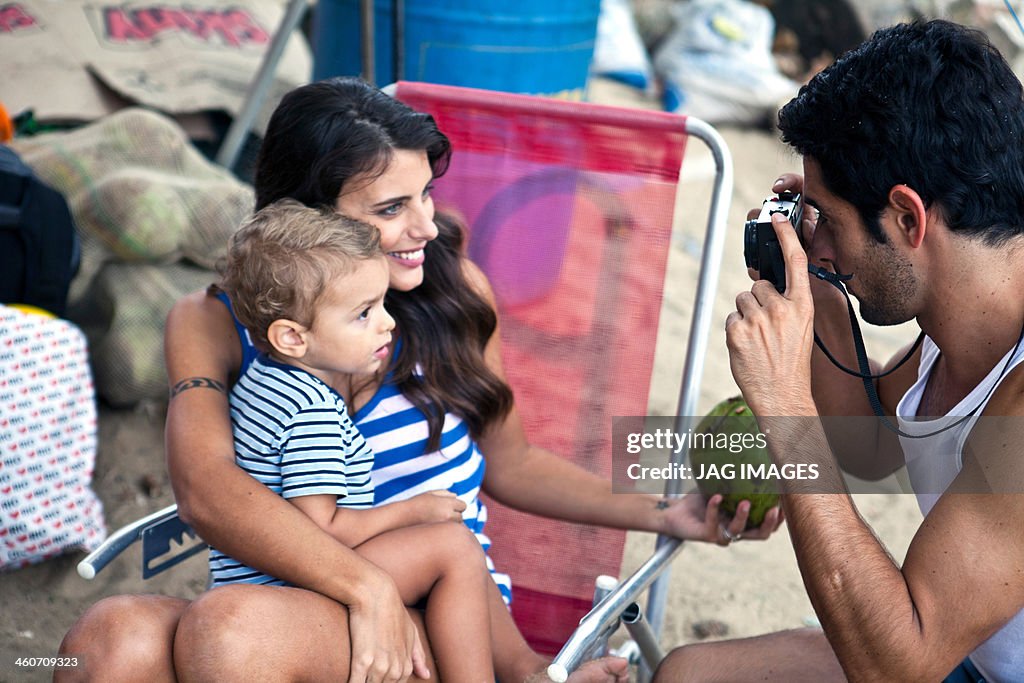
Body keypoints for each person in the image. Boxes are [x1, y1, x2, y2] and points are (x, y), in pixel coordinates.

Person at [57, 77, 783, 683]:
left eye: (426, 196)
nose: (426, 227)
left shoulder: (454, 291)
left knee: (228, 630)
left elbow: (515, 461)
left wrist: (667, 511)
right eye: (391, 208)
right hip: (300, 603)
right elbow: (207, 490)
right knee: (108, 640)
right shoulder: (214, 323)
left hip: (437, 617)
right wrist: (360, 585)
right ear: (305, 218)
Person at [656, 19, 1024, 682]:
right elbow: (869, 442)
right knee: (687, 673)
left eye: (830, 219)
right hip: (966, 655)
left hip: (929, 651)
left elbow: (896, 662)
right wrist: (815, 282)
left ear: (909, 218)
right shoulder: (975, 310)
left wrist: (783, 403)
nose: (817, 237)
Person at [215, 199, 495, 682]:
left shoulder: (264, 380)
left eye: (382, 303)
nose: (388, 321)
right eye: (364, 313)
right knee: (454, 547)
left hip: (255, 575)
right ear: (292, 338)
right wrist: (414, 510)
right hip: (295, 581)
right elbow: (320, 529)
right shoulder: (312, 410)